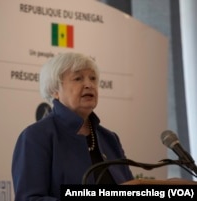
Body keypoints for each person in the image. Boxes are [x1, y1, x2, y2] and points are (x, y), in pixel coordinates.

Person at [11, 52, 133, 200]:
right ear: (54, 90)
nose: (89, 84)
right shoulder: (36, 136)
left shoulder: (109, 138)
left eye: (93, 78)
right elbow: (29, 198)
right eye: (78, 78)